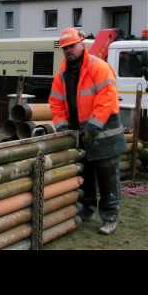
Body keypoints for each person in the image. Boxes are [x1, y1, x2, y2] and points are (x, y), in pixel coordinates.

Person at [49, 27, 126, 235]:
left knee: (107, 177)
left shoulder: (98, 67)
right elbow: (55, 103)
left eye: (72, 46)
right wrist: (63, 125)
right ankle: (87, 209)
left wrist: (93, 124)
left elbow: (107, 98)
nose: (68, 51)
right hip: (79, 132)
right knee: (86, 174)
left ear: (82, 44)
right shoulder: (62, 74)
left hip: (104, 132)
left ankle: (110, 217)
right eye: (65, 48)